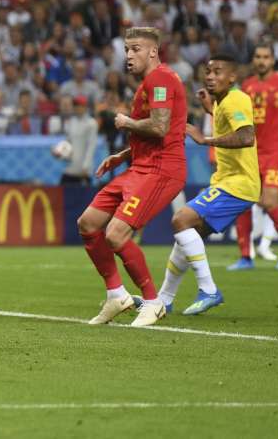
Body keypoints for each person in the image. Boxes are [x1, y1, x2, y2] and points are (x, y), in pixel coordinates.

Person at [76, 27, 188, 326]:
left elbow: (161, 127)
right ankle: (117, 295)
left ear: (153, 51)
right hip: (140, 166)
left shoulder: (161, 78)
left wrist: (127, 122)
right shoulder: (147, 84)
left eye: (135, 49)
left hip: (161, 169)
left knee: (115, 234)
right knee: (88, 223)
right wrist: (123, 156)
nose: (128, 55)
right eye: (126, 49)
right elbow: (154, 131)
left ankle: (153, 301)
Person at [138, 55, 259, 323]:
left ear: (232, 77)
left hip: (238, 183)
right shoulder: (223, 102)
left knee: (181, 219)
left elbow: (246, 136)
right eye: (208, 71)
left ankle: (209, 289)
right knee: (186, 236)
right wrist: (210, 110)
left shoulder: (236, 99)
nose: (211, 76)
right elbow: (231, 123)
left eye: (218, 72)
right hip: (228, 181)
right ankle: (164, 300)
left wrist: (206, 140)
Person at [229, 44, 278, 271]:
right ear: (253, 60)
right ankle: (245, 257)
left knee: (269, 201)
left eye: (266, 57)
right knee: (243, 203)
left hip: (276, 153)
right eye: (258, 57)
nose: (262, 61)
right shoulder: (247, 85)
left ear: (273, 60)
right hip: (251, 153)